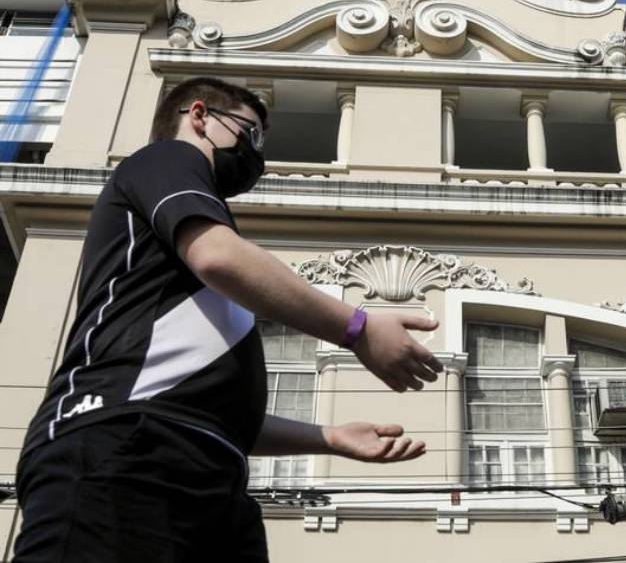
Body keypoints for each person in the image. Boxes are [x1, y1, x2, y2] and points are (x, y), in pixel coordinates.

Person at [13, 77, 444, 562]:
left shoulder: (198, 275)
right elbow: (218, 256)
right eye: (250, 133)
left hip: (205, 467)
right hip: (121, 444)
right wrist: (358, 329)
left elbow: (212, 409)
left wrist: (329, 439)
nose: (255, 153)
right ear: (199, 116)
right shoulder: (167, 160)